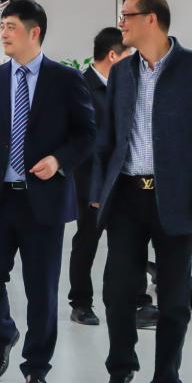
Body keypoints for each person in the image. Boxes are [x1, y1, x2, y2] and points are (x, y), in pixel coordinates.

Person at [0, 0, 95, 383]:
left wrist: (59, 160)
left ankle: (37, 369)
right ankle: (3, 334)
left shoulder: (65, 80)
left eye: (11, 26)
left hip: (43, 203)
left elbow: (87, 134)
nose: (4, 33)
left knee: (41, 290)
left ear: (35, 32)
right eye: (3, 26)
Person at [91, 0, 192, 383]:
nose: (121, 23)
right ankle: (120, 370)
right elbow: (107, 139)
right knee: (117, 293)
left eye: (127, 15)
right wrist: (98, 189)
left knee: (172, 301)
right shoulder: (122, 72)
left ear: (151, 19)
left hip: (177, 200)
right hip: (127, 196)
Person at [69, 28, 156, 327]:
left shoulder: (128, 85)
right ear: (113, 56)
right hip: (90, 177)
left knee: (130, 241)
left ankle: (134, 301)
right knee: (88, 240)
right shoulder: (81, 87)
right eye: (129, 54)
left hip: (125, 176)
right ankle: (81, 303)